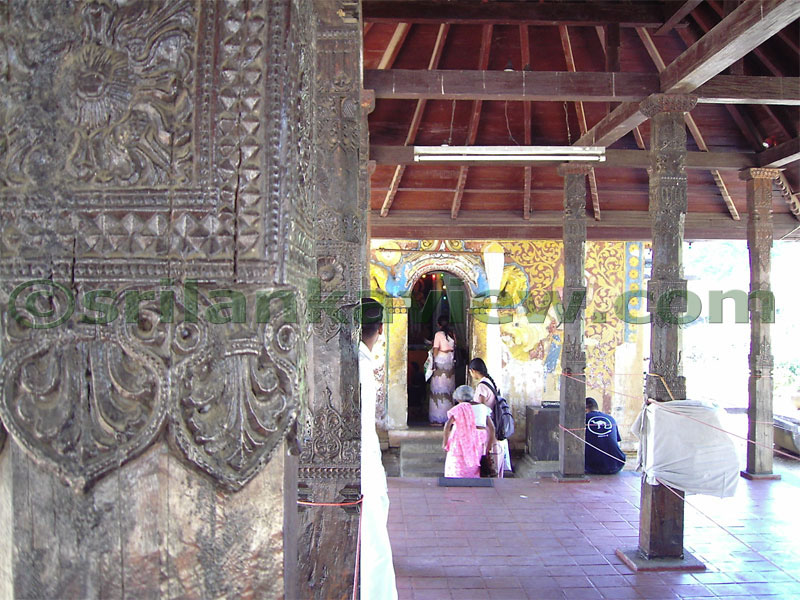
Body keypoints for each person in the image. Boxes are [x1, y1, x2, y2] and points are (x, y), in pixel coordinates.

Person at [359, 298, 398, 600]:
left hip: (363, 460)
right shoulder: (360, 364)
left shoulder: (358, 360)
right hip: (361, 463)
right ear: (381, 330)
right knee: (371, 541)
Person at [469, 358, 512, 476]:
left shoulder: (482, 386)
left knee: (488, 456)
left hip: (487, 425)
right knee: (496, 458)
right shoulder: (490, 382)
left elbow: (481, 408)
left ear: (473, 371)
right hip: (495, 422)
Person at [442, 385, 496, 478]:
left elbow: (447, 426)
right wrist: (489, 445)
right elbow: (492, 428)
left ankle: (455, 480)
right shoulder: (483, 408)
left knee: (457, 463)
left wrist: (445, 442)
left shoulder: (459, 408)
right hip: (478, 439)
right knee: (475, 462)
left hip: (460, 439)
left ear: (459, 398)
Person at [585, 397, 627, 475]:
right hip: (617, 464)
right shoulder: (610, 418)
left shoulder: (582, 419)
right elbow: (614, 441)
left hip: (592, 466)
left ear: (585, 409)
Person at [429, 315, 456, 425]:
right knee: (449, 390)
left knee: (438, 390)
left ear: (438, 324)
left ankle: (438, 418)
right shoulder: (452, 334)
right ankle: (449, 418)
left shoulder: (438, 334)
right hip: (450, 361)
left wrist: (433, 362)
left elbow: (436, 349)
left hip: (440, 361)